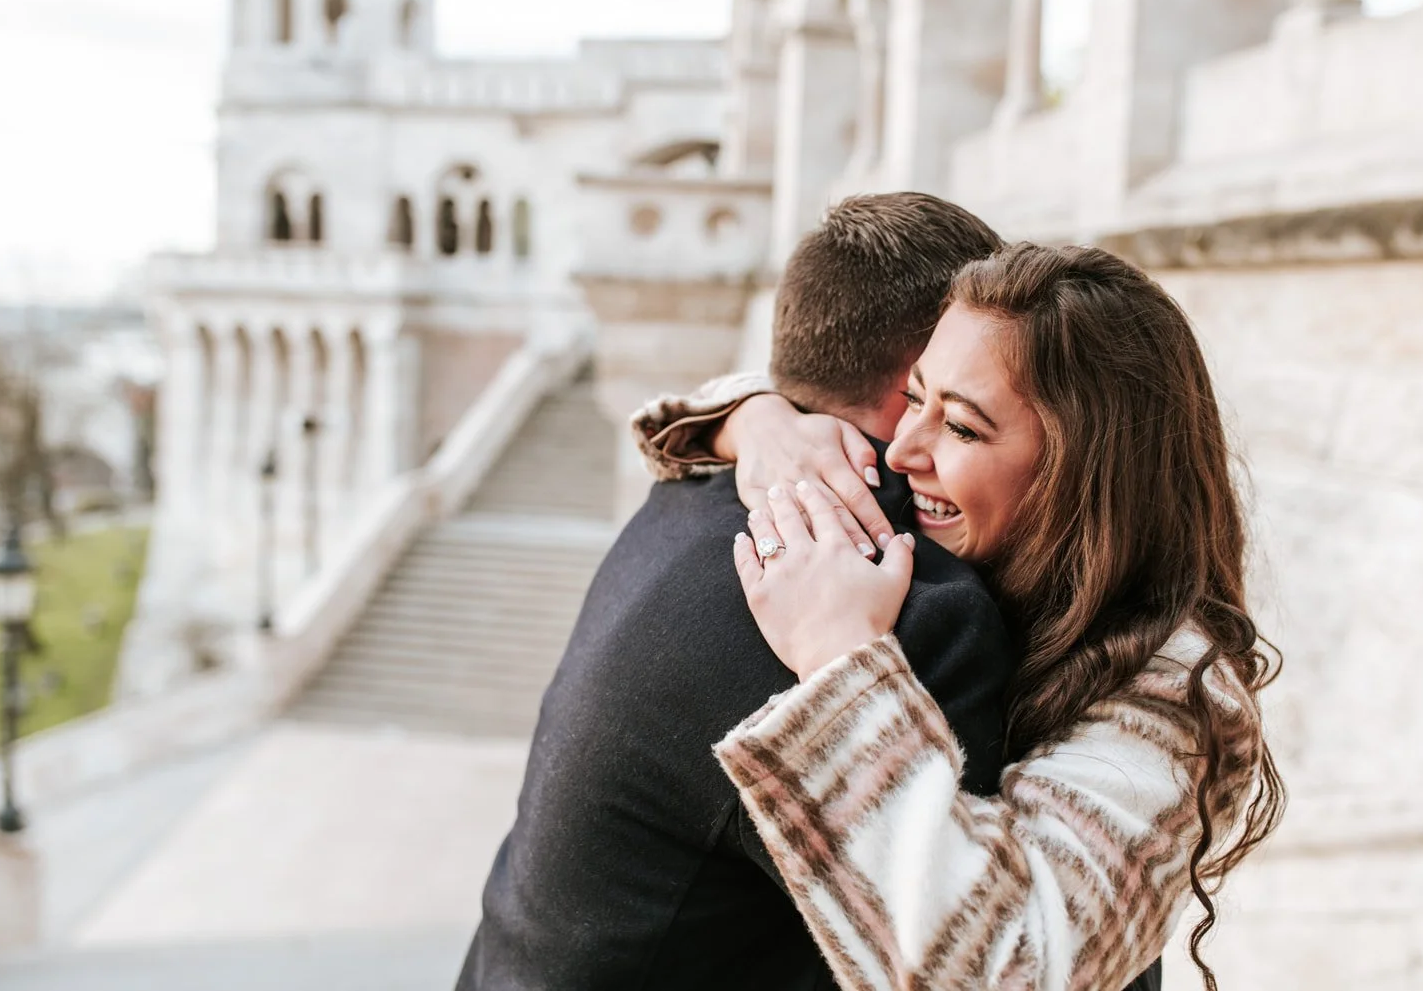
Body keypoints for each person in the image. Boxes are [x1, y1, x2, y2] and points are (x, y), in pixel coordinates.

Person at [631, 241, 1283, 991]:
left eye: (964, 428)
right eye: (915, 397)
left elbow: (1012, 969)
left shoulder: (1173, 699)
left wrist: (838, 655)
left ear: (1087, 475)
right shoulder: (972, 542)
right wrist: (757, 419)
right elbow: (664, 423)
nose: (904, 449)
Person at [455, 193, 1025, 991]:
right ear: (922, 382)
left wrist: (747, 413)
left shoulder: (689, 491)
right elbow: (983, 948)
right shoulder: (916, 603)